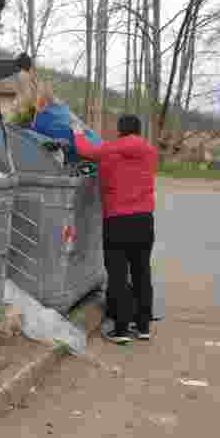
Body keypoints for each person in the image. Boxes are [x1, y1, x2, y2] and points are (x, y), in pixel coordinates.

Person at [72, 114, 158, 345]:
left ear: (119, 130)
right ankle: (142, 326)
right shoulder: (149, 151)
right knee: (142, 272)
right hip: (144, 219)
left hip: (118, 221)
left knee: (118, 275)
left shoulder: (110, 149)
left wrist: (76, 131)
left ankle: (120, 330)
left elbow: (84, 150)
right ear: (138, 131)